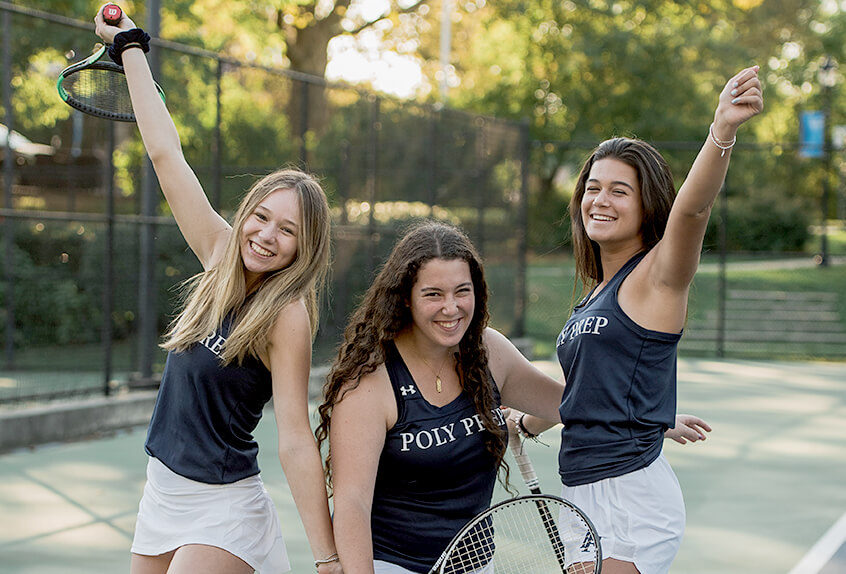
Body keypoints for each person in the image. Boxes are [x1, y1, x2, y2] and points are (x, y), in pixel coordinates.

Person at [94, 8, 342, 574]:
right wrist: (131, 46)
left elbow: (296, 438)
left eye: (288, 231)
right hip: (162, 492)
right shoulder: (217, 251)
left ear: (305, 249)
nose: (266, 235)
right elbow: (165, 155)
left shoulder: (286, 316)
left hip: (224, 506)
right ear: (246, 212)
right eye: (261, 216)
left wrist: (327, 558)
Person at [315, 220, 710, 574]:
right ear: (405, 298)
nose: (451, 308)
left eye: (462, 291)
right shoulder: (370, 383)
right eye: (433, 294)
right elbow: (351, 506)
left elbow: (569, 403)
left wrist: (652, 419)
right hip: (394, 565)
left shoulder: (488, 352)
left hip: (474, 564)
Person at [517, 65, 763, 574]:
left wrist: (722, 132)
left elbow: (691, 214)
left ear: (645, 203)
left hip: (630, 495)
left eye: (618, 191)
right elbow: (582, 388)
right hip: (581, 490)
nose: (599, 200)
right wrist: (520, 421)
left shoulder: (657, 276)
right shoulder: (596, 294)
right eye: (592, 187)